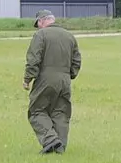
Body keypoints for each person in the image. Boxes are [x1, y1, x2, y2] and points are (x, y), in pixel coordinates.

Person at [22, 9, 81, 154]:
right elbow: (76, 61)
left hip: (45, 79)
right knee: (60, 112)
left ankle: (50, 139)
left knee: (36, 111)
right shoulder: (69, 36)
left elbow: (34, 58)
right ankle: (59, 146)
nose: (38, 27)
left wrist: (28, 78)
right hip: (65, 80)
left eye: (38, 24)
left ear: (42, 21)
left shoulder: (40, 35)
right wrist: (69, 75)